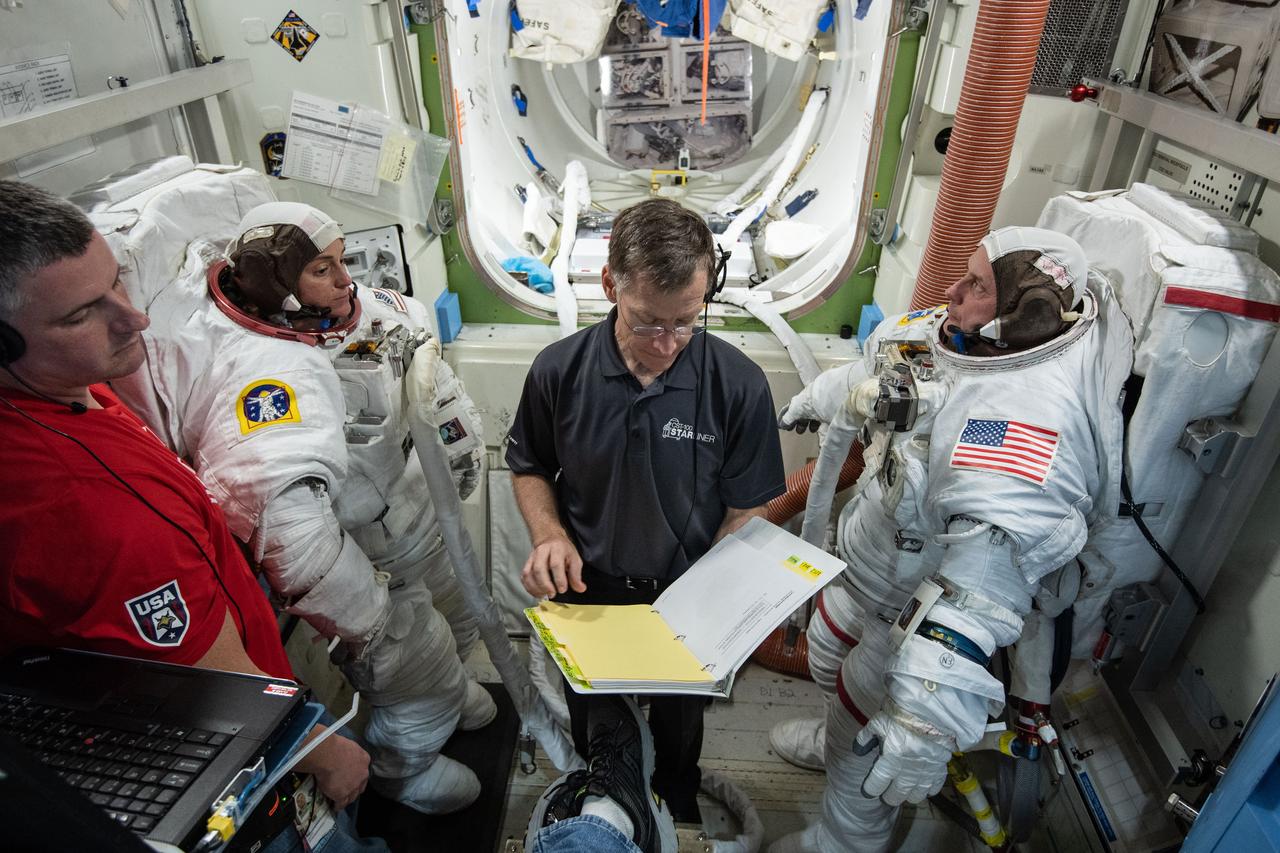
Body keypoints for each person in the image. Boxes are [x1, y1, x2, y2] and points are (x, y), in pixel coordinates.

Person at [0, 179, 385, 852]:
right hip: (225, 742)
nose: (134, 318)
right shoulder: (81, 506)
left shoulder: (67, 391)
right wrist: (318, 747)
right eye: (82, 314)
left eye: (118, 284)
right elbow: (218, 689)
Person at [111, 200, 494, 815]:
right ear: (277, 285)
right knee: (414, 662)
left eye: (342, 262)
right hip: (371, 563)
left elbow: (428, 377)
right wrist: (370, 620)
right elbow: (292, 533)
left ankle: (450, 693)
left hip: (422, 517)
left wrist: (461, 457)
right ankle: (403, 769)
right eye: (323, 269)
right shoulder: (262, 375)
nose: (346, 281)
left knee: (459, 620)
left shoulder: (368, 310)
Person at [767, 227, 1132, 852]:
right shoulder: (943, 333)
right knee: (828, 662)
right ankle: (835, 736)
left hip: (911, 609)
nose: (953, 291)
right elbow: (868, 374)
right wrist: (815, 398)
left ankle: (841, 840)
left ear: (1025, 311)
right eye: (962, 276)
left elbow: (980, 586)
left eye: (977, 287)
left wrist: (921, 722)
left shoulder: (1020, 412)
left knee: (868, 759)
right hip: (860, 564)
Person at [506, 198, 787, 822]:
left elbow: (749, 507)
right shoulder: (558, 372)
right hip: (589, 591)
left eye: (686, 321)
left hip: (688, 597)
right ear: (610, 285)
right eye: (646, 322)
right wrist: (548, 535)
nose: (667, 344)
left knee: (681, 728)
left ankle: (677, 804)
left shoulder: (738, 386)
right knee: (598, 723)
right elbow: (529, 466)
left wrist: (719, 592)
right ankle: (607, 800)